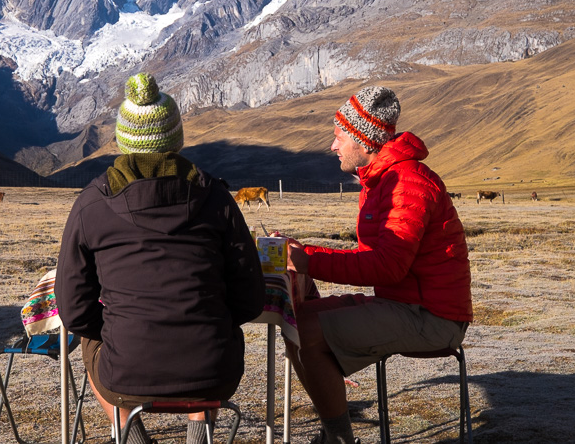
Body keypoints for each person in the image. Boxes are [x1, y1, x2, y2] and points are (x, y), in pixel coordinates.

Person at [56, 73, 265, 444]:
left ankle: (130, 434)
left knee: (92, 341)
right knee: (209, 332)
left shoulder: (91, 203)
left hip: (125, 376)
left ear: (123, 140)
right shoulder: (217, 199)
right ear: (176, 139)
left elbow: (73, 310)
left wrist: (119, 327)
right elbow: (250, 298)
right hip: (214, 373)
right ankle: (198, 435)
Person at [284, 85, 473, 444]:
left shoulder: (407, 182)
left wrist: (307, 259)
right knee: (297, 322)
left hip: (433, 317)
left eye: (339, 136)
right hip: (405, 304)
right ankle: (334, 433)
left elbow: (388, 266)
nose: (332, 145)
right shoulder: (383, 179)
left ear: (364, 140)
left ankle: (338, 439)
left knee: (306, 333)